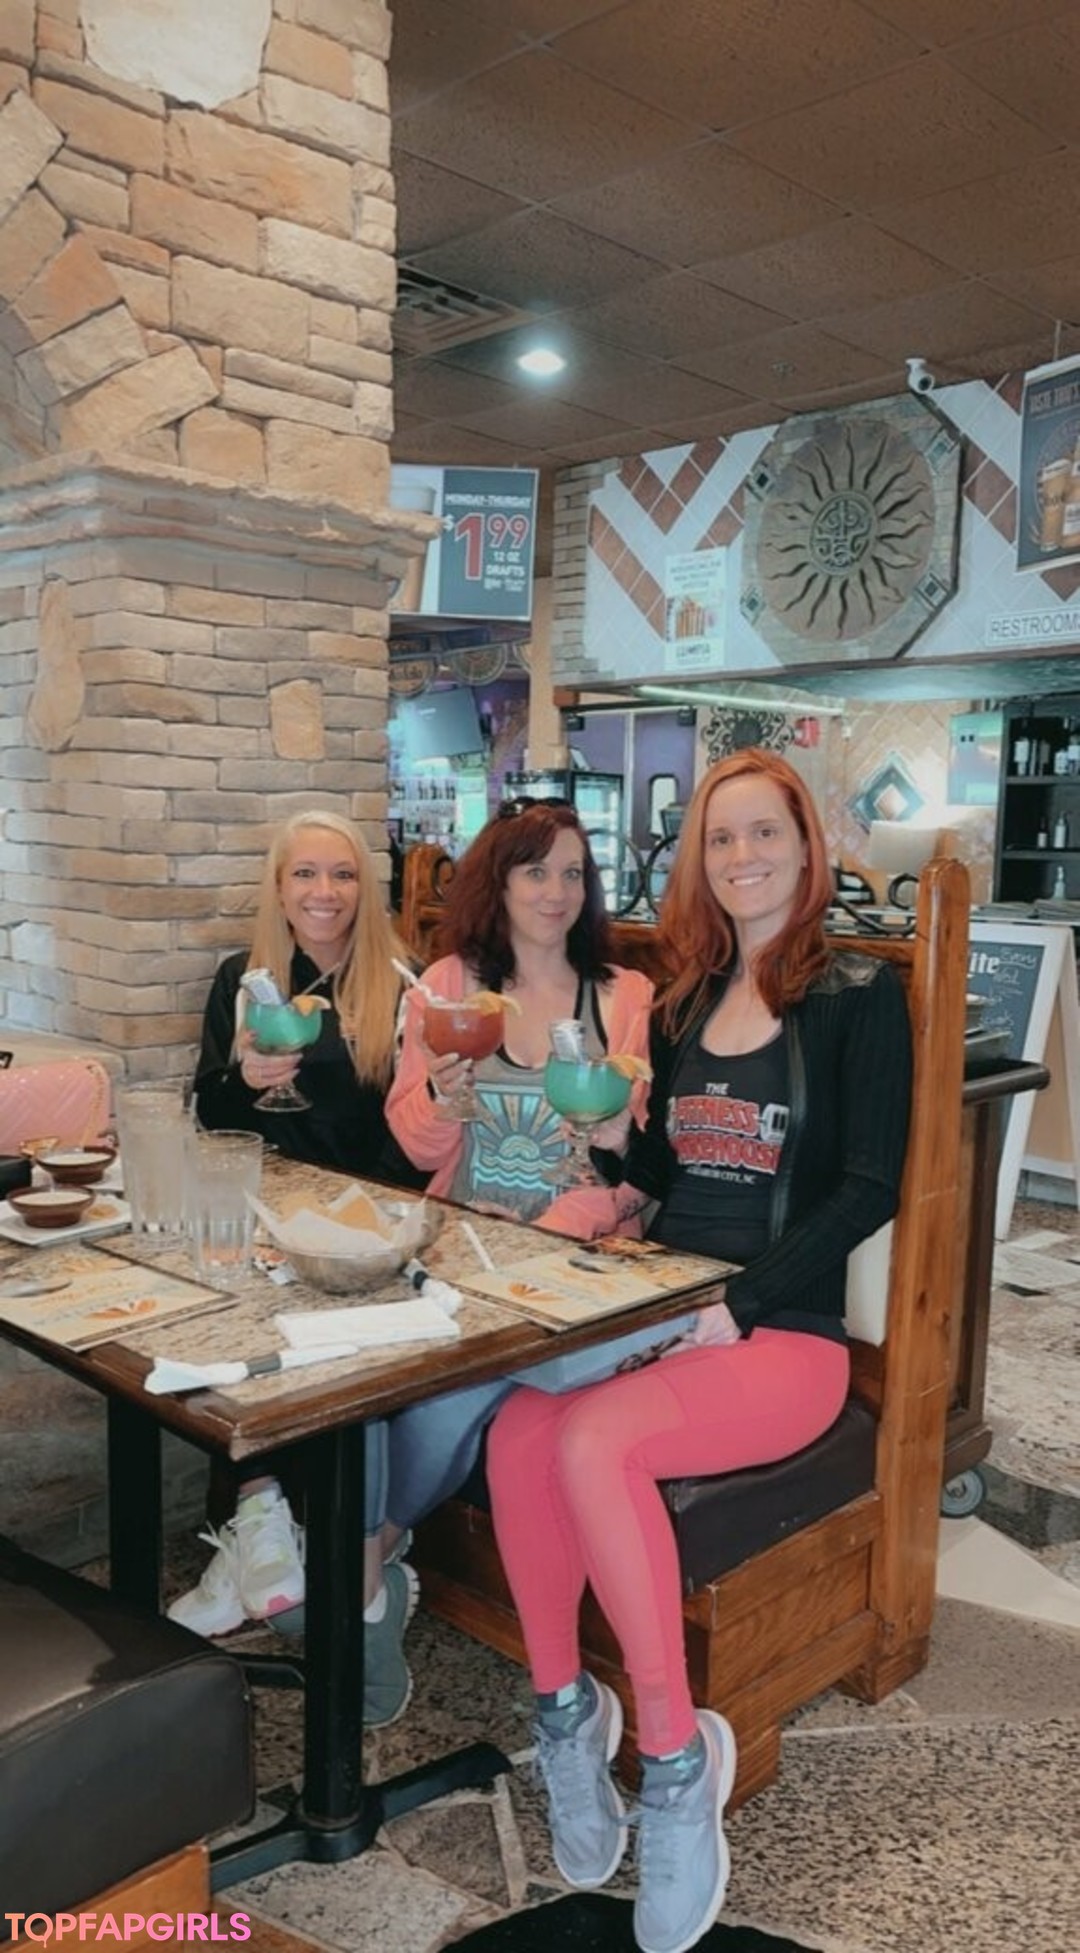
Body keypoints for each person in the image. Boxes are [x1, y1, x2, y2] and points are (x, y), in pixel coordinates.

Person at [483, 751, 914, 1953]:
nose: (742, 857)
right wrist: (610, 1161)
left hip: (785, 1332)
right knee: (520, 1426)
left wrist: (747, 1299)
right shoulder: (681, 1002)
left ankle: (676, 1766)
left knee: (595, 1440)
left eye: (764, 833)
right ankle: (567, 1718)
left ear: (806, 844)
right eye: (721, 838)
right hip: (671, 1307)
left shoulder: (857, 996)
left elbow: (870, 1184)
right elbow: (671, 1174)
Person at [171, 809, 427, 1723]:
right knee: (215, 1305)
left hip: (364, 1223)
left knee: (299, 1322)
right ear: (278, 889)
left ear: (366, 887)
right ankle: (260, 1521)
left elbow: (409, 1139)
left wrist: (353, 1222)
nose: (325, 892)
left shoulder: (401, 986)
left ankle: (265, 1535)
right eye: (306, 874)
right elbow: (209, 1113)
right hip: (265, 1213)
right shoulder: (242, 980)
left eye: (343, 874)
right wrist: (242, 1080)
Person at [381, 798, 654, 1544]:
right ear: (498, 882)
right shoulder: (448, 986)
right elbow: (417, 1150)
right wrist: (444, 1098)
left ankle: (365, 1560)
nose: (556, 892)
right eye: (535, 872)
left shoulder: (624, 997)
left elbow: (635, 1169)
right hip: (459, 1246)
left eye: (573, 873)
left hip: (575, 1260)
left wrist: (540, 1235)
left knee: (449, 1390)